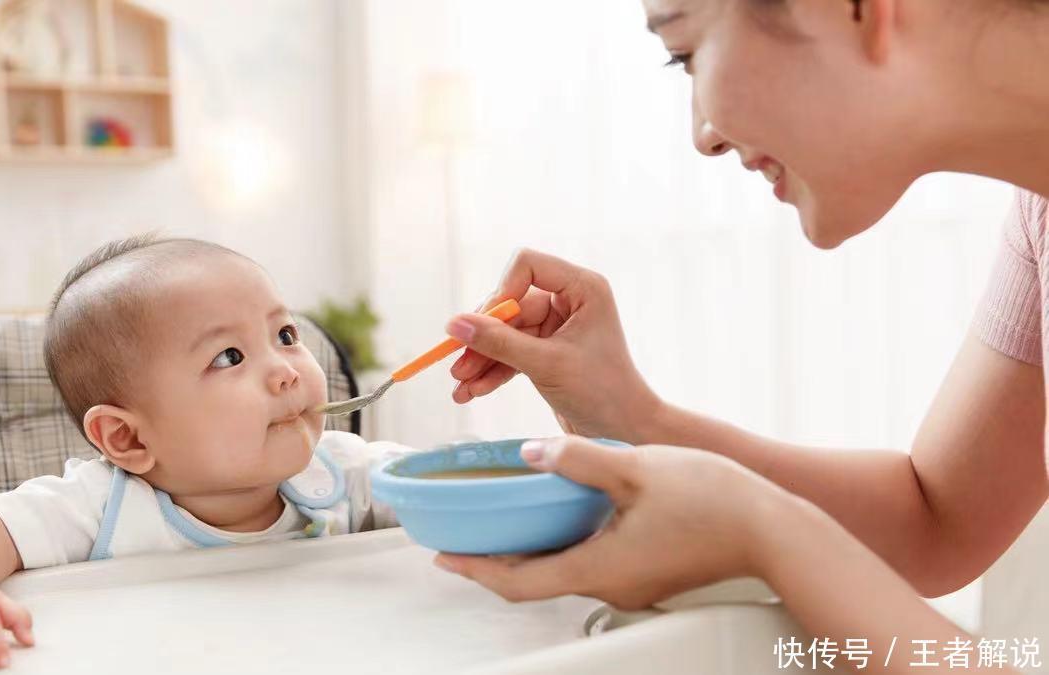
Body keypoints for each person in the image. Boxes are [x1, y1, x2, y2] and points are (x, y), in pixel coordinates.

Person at [434, 1, 1049, 672]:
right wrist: (630, 413)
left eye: (686, 53)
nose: (703, 135)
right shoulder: (1037, 210)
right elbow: (935, 523)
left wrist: (763, 530)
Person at [0, 236, 410, 675]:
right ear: (127, 439)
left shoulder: (344, 471)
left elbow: (447, 486)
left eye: (285, 335)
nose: (286, 370)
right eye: (229, 356)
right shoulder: (101, 508)